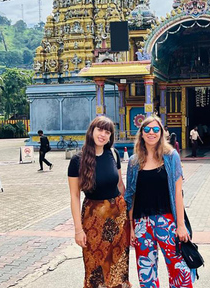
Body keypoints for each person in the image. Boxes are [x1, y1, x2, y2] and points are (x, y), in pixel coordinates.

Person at [125, 115, 193, 287]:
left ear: (161, 133)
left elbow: (178, 192)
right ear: (141, 134)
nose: (151, 133)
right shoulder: (134, 162)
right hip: (141, 224)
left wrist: (181, 225)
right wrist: (131, 226)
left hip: (167, 221)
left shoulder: (171, 157)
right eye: (147, 130)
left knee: (179, 270)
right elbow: (131, 196)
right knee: (146, 274)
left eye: (156, 129)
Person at [67, 116, 130, 288]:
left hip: (118, 218)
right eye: (99, 130)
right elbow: (74, 196)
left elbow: (120, 184)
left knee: (118, 267)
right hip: (92, 219)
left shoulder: (114, 154)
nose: (103, 134)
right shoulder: (77, 161)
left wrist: (129, 219)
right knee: (94, 268)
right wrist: (78, 230)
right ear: (91, 131)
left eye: (107, 132)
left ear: (110, 136)